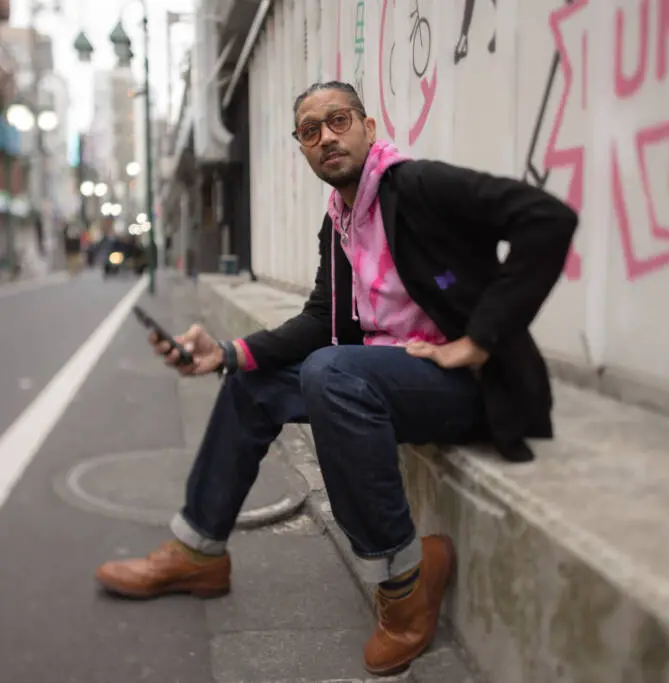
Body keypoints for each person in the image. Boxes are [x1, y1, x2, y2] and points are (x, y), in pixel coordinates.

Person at [95, 80, 577, 676]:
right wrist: (226, 353)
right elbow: (323, 317)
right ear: (301, 148)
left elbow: (546, 219)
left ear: (368, 128)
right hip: (381, 376)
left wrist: (478, 341)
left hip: (465, 388)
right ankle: (198, 551)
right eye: (310, 130)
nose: (326, 137)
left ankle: (404, 586)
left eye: (339, 120)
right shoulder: (342, 218)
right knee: (258, 383)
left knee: (332, 372)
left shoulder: (418, 186)